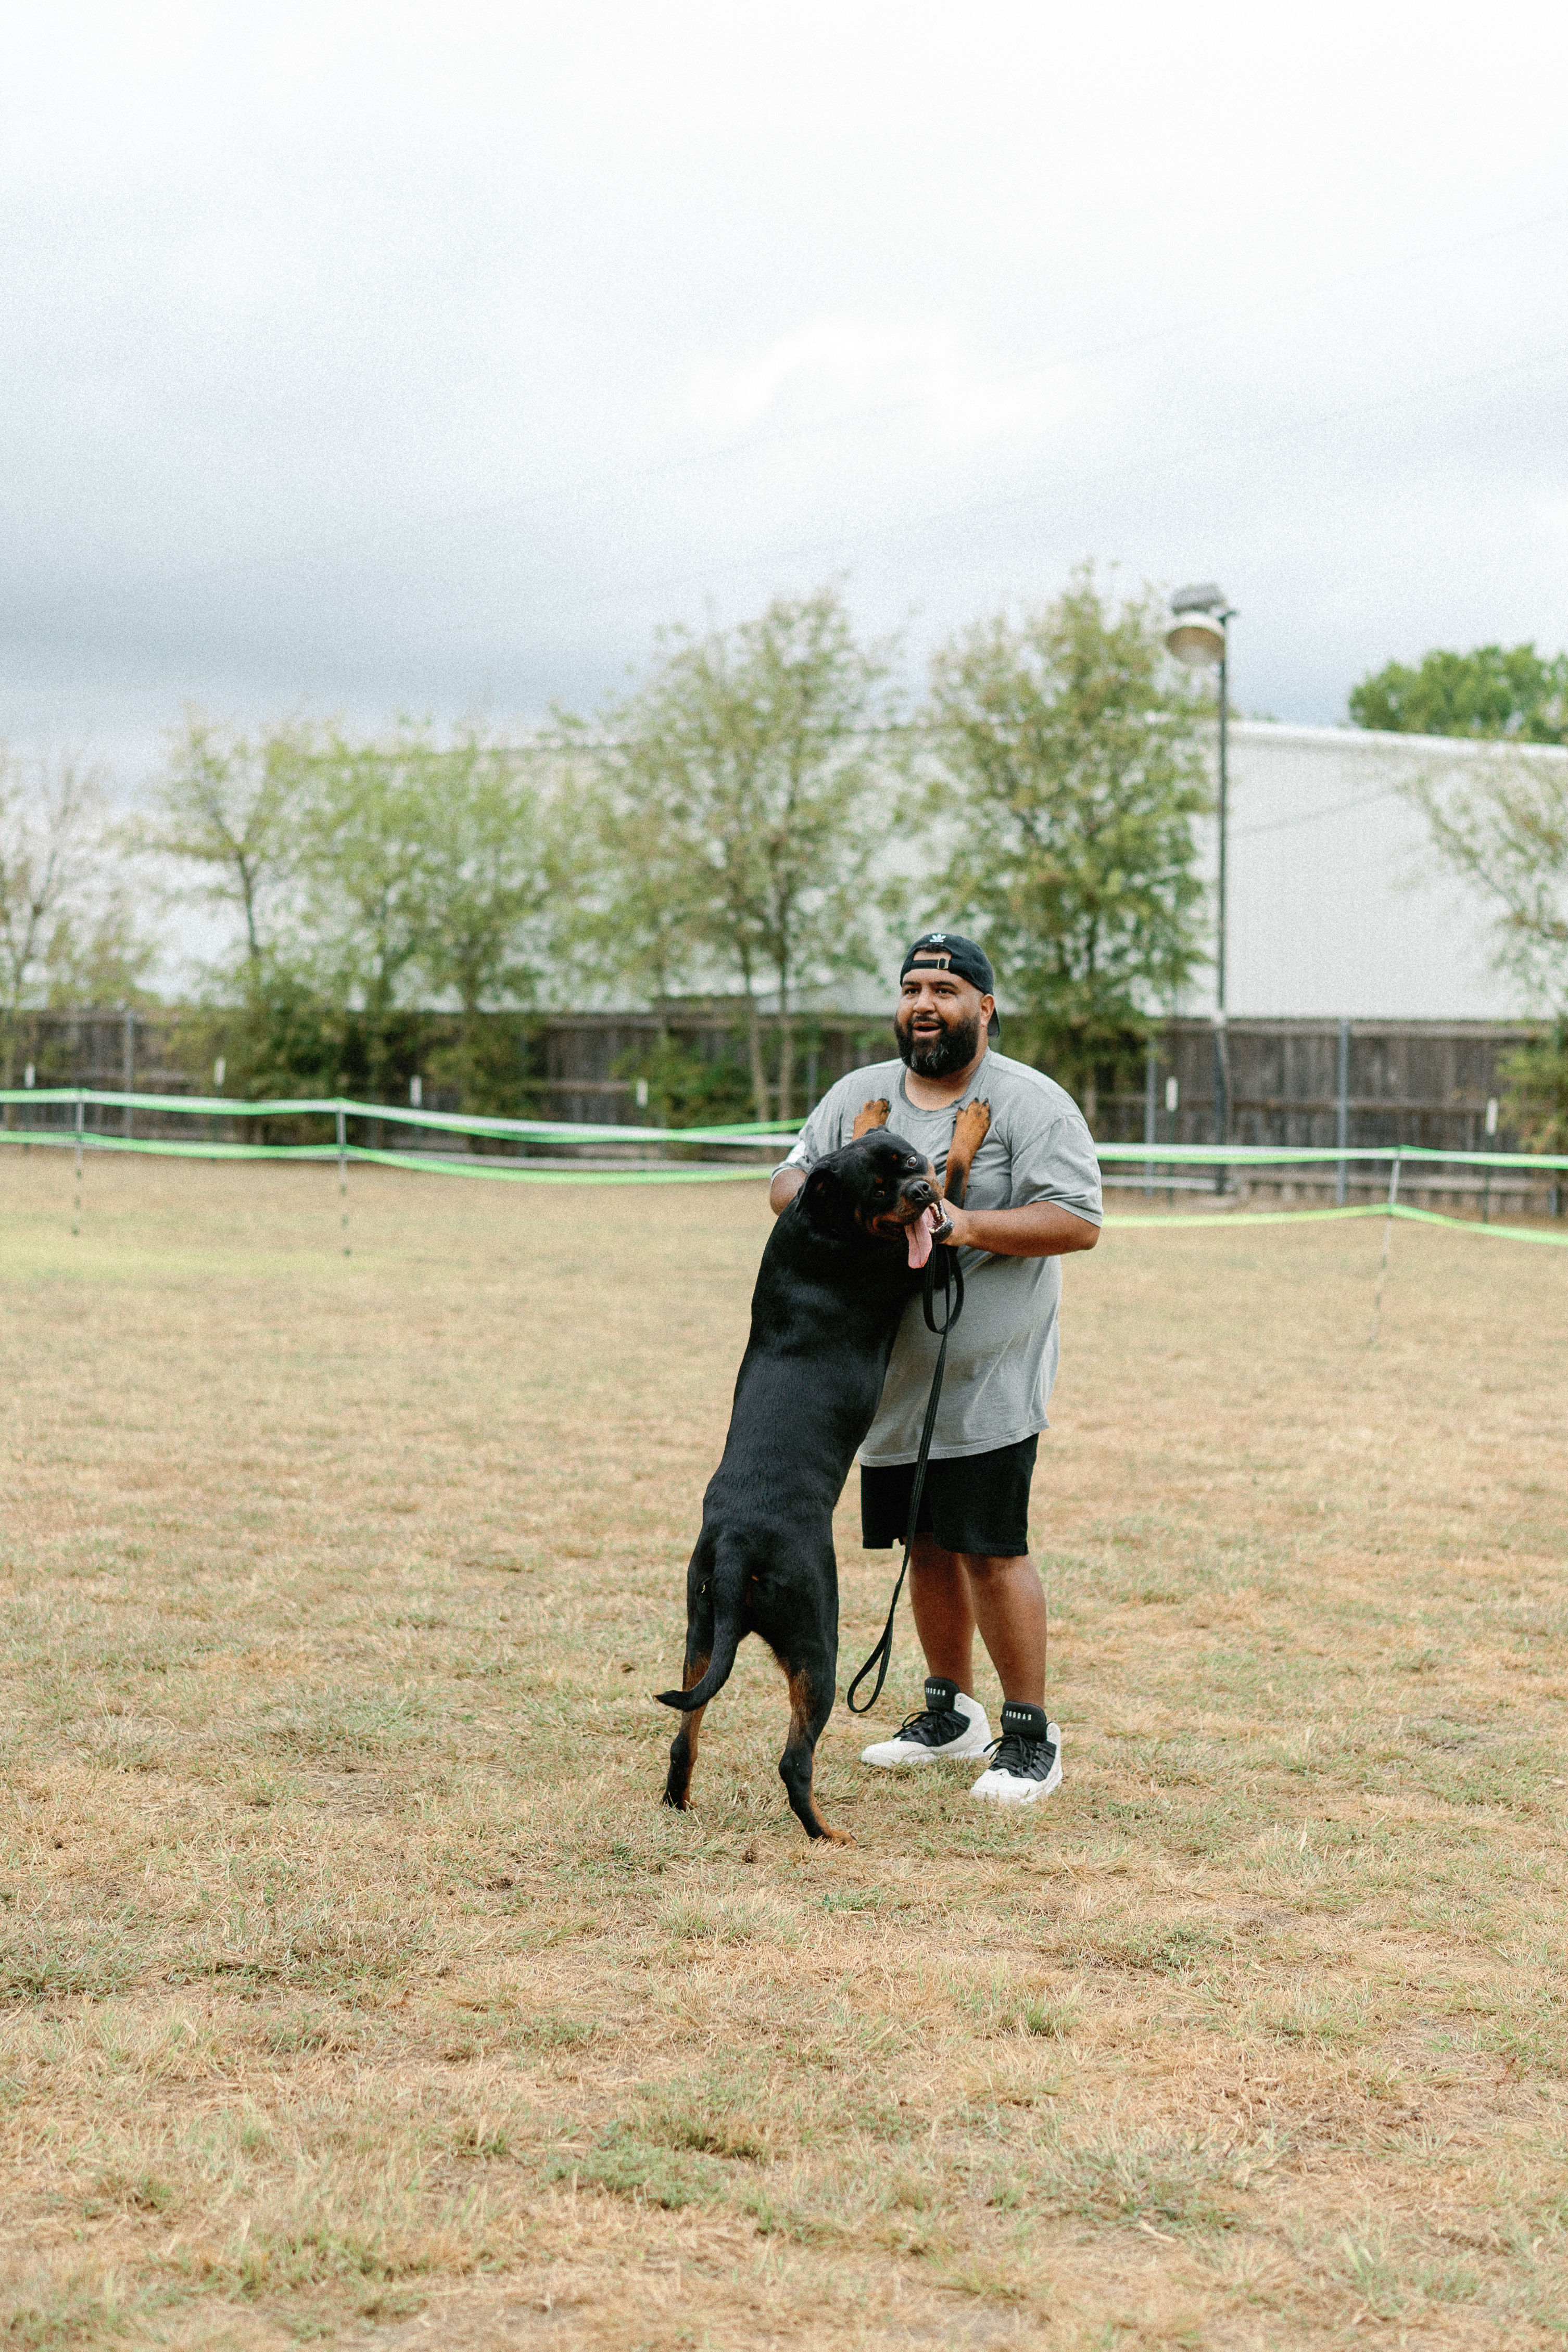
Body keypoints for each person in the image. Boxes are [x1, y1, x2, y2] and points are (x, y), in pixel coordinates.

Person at [768, 932, 1101, 1805]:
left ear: (984, 1007)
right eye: (913, 986)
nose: (925, 1002)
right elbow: (787, 1179)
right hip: (885, 1377)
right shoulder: (859, 1097)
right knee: (924, 1542)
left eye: (946, 988)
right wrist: (838, 1203)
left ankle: (1031, 1736)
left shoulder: (1030, 1102)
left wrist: (965, 1224)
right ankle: (952, 1716)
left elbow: (1078, 1219)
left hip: (988, 1372)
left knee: (990, 1546)